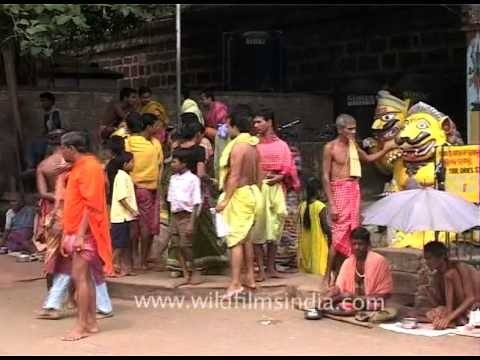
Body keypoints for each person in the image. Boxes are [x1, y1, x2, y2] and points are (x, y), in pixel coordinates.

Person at [322, 114, 398, 285]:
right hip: (339, 191)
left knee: (353, 233)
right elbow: (325, 177)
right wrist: (332, 203)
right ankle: (327, 276)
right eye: (350, 129)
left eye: (355, 128)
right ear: (340, 129)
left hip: (353, 190)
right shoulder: (330, 148)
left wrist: (387, 148)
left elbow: (369, 159)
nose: (353, 131)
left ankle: (348, 276)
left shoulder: (353, 146)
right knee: (337, 237)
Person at [37, 171, 113, 320]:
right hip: (81, 236)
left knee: (88, 272)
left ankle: (103, 307)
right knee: (73, 270)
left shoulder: (83, 191)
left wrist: (76, 235)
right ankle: (52, 304)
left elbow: (87, 214)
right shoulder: (81, 187)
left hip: (86, 237)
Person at [59, 131, 113, 341]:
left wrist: (80, 235)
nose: (60, 152)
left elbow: (91, 205)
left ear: (71, 149)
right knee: (85, 278)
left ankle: (81, 326)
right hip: (77, 231)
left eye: (62, 148)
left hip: (85, 233)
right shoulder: (81, 167)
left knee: (79, 278)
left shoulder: (90, 167)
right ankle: (90, 323)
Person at [167, 119, 228, 275]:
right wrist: (212, 181)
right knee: (204, 227)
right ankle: (206, 263)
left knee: (177, 231)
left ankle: (178, 266)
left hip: (179, 194)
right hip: (195, 192)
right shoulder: (199, 150)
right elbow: (200, 174)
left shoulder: (176, 149)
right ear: (198, 134)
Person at [215, 104, 263, 298]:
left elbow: (234, 177)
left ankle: (235, 283)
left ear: (234, 125)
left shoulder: (238, 148)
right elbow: (260, 175)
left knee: (235, 241)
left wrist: (226, 200)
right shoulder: (254, 147)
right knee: (246, 239)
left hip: (239, 195)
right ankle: (250, 277)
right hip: (252, 194)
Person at [251, 107, 300, 282]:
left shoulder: (282, 145)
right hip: (258, 189)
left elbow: (289, 168)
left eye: (259, 121)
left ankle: (270, 268)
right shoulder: (252, 143)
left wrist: (279, 176)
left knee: (275, 231)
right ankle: (261, 270)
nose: (256, 125)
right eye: (254, 122)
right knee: (257, 231)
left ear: (269, 122)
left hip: (276, 190)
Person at [125, 113, 163, 271]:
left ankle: (135, 258)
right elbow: (160, 166)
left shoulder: (129, 142)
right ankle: (143, 259)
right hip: (152, 188)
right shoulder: (155, 144)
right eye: (156, 125)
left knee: (136, 224)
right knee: (149, 225)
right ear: (148, 127)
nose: (159, 128)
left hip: (135, 187)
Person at [412, 241, 480, 329]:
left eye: (429, 258)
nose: (427, 262)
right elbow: (439, 303)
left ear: (442, 257)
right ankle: (454, 318)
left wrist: (448, 318)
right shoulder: (436, 275)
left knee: (449, 275)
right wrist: (427, 288)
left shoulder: (460, 267)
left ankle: (456, 318)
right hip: (454, 309)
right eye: (425, 259)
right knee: (420, 314)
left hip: (473, 306)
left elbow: (471, 298)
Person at [34, 129, 71, 286]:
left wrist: (57, 198)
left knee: (51, 252)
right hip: (71, 209)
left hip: (51, 212)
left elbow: (43, 193)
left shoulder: (44, 165)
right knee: (72, 250)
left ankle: (51, 294)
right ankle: (72, 296)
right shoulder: (72, 161)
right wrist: (67, 198)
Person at [325, 227, 393, 309]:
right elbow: (339, 287)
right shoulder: (347, 263)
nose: (356, 247)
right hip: (350, 304)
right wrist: (331, 294)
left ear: (368, 244)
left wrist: (356, 299)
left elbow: (386, 293)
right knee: (329, 303)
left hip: (372, 305)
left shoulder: (379, 262)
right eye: (354, 244)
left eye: (360, 244)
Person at [167, 149, 203, 285]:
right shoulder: (173, 178)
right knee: (176, 245)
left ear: (184, 164)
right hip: (175, 215)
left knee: (186, 245)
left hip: (187, 215)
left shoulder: (193, 179)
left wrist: (191, 223)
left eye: (175, 162)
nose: (172, 165)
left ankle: (194, 270)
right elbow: (171, 199)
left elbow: (196, 202)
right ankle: (185, 272)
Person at [108, 152, 138, 277]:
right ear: (125, 164)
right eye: (132, 162)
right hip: (121, 217)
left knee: (124, 244)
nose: (134, 164)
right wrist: (132, 210)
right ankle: (110, 267)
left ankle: (122, 268)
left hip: (125, 217)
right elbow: (121, 197)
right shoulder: (122, 177)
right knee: (119, 245)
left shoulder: (124, 176)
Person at [24, 93, 66, 173]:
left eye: (44, 101)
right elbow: (46, 130)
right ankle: (33, 165)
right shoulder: (47, 114)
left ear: (51, 102)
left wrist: (47, 136)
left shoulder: (55, 113)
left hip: (56, 139)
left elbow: (57, 129)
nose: (42, 103)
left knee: (31, 144)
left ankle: (31, 166)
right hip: (49, 138)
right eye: (41, 101)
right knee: (33, 142)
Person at [298, 177, 331, 276]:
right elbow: (325, 226)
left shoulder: (302, 205)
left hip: (305, 243)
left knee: (307, 272)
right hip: (318, 243)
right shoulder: (320, 206)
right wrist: (331, 236)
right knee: (319, 271)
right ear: (318, 191)